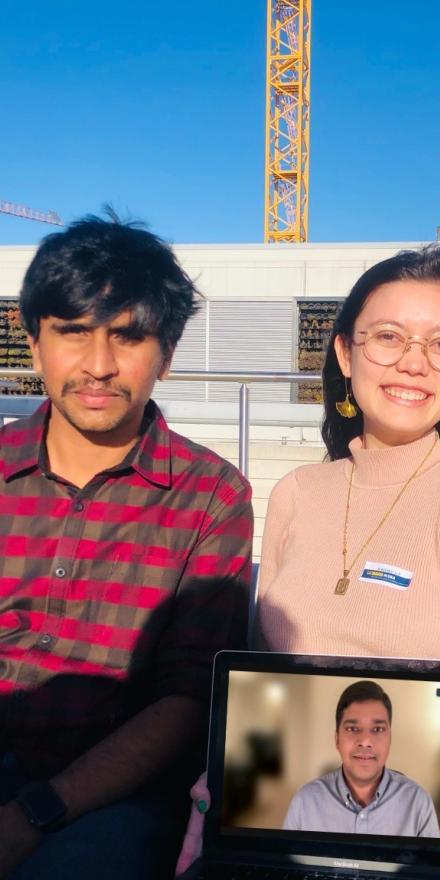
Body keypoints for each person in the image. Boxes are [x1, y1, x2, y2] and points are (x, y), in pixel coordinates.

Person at [176, 246, 440, 875]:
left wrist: (408, 854)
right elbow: (263, 695)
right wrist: (222, 787)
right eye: (389, 336)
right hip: (279, 826)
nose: (414, 362)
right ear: (345, 353)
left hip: (414, 844)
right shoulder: (296, 492)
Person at [0, 216, 253, 880]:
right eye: (73, 331)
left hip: (112, 799)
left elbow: (188, 698)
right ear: (34, 345)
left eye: (128, 336)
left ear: (165, 355)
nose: (99, 365)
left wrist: (33, 816)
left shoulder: (212, 496)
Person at [283, 680, 440, 837]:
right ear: (337, 739)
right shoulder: (305, 802)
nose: (365, 741)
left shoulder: (418, 803)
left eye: (377, 729)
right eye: (352, 728)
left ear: (390, 739)